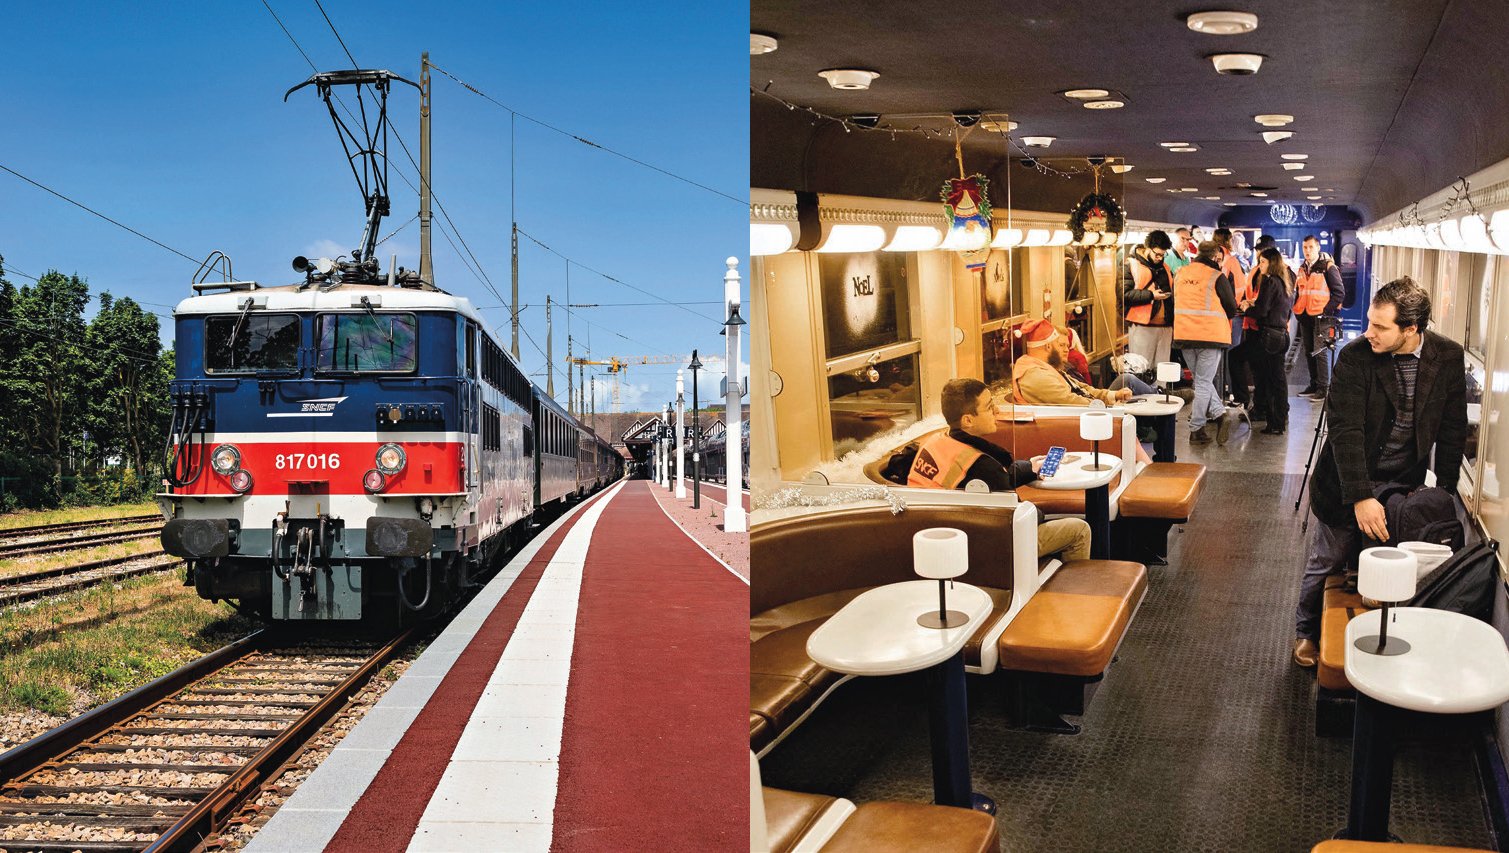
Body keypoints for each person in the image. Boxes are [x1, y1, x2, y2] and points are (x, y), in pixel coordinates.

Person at [1290, 277, 1466, 668]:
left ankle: (1369, 645)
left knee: (1382, 570)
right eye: (1370, 322)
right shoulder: (1357, 356)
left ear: (1412, 329)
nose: (1369, 331)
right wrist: (1361, 497)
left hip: (1403, 482)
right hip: (1346, 479)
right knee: (1329, 559)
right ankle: (1305, 632)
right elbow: (1345, 431)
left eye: (1381, 326)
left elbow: (1453, 429)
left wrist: (1445, 493)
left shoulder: (1448, 357)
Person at [909, 377, 1092, 563]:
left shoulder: (936, 442)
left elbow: (993, 480)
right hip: (984, 545)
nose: (997, 411)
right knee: (1079, 530)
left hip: (938, 536)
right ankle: (1070, 590)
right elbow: (1018, 517)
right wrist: (1039, 513)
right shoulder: (981, 466)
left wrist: (1029, 468)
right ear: (968, 421)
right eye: (989, 407)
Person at [1172, 242, 1239, 445]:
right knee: (1203, 382)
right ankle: (1197, 429)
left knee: (1201, 381)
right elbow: (1231, 307)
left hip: (1184, 335)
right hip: (1210, 336)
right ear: (1215, 257)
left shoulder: (1181, 272)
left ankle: (1220, 415)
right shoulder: (1216, 276)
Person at [1010, 319, 1132, 408]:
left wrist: (1114, 395)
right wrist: (1105, 408)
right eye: (1059, 345)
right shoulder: (1035, 376)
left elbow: (1083, 388)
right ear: (1048, 347)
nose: (1065, 350)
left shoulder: (1047, 368)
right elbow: (1071, 401)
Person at [1240, 246, 1295, 435]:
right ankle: (1280, 419)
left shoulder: (1269, 282)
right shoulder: (1285, 281)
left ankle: (1274, 423)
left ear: (1271, 263)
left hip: (1269, 336)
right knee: (1279, 380)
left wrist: (1247, 308)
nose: (1259, 265)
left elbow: (1262, 311)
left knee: (1270, 380)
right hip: (1282, 335)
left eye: (1262, 261)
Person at [1293, 236, 1346, 399]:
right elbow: (1299, 292)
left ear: (1317, 247)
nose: (1307, 251)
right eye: (1305, 247)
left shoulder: (1328, 268)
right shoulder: (1302, 269)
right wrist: (1297, 310)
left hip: (1322, 317)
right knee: (1309, 352)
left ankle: (1324, 389)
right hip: (1305, 316)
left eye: (1310, 247)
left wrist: (1325, 311)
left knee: (1320, 352)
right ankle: (1314, 384)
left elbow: (1339, 293)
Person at [1122, 230, 1175, 369]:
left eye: (1163, 255)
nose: (1159, 258)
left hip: (1165, 328)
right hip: (1142, 327)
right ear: (1147, 248)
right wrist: (1151, 296)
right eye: (1156, 254)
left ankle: (1162, 391)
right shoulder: (1130, 266)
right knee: (1141, 369)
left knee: (1163, 373)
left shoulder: (1165, 268)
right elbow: (1124, 295)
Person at [1213, 229, 1249, 409]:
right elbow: (1240, 289)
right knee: (1229, 355)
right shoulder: (1231, 261)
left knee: (1227, 355)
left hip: (1226, 315)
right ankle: (1230, 391)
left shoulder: (1221, 262)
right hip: (1232, 314)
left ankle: (1228, 391)